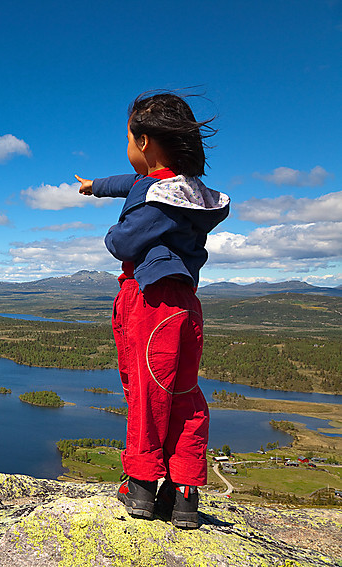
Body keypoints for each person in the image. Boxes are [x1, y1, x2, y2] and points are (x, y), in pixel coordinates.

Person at [75, 92, 229, 529]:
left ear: (143, 141)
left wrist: (113, 230)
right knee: (185, 394)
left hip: (150, 302)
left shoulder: (159, 203)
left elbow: (121, 243)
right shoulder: (184, 190)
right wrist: (94, 187)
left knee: (146, 392)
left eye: (127, 139)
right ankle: (184, 490)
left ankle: (140, 484)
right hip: (186, 305)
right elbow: (131, 182)